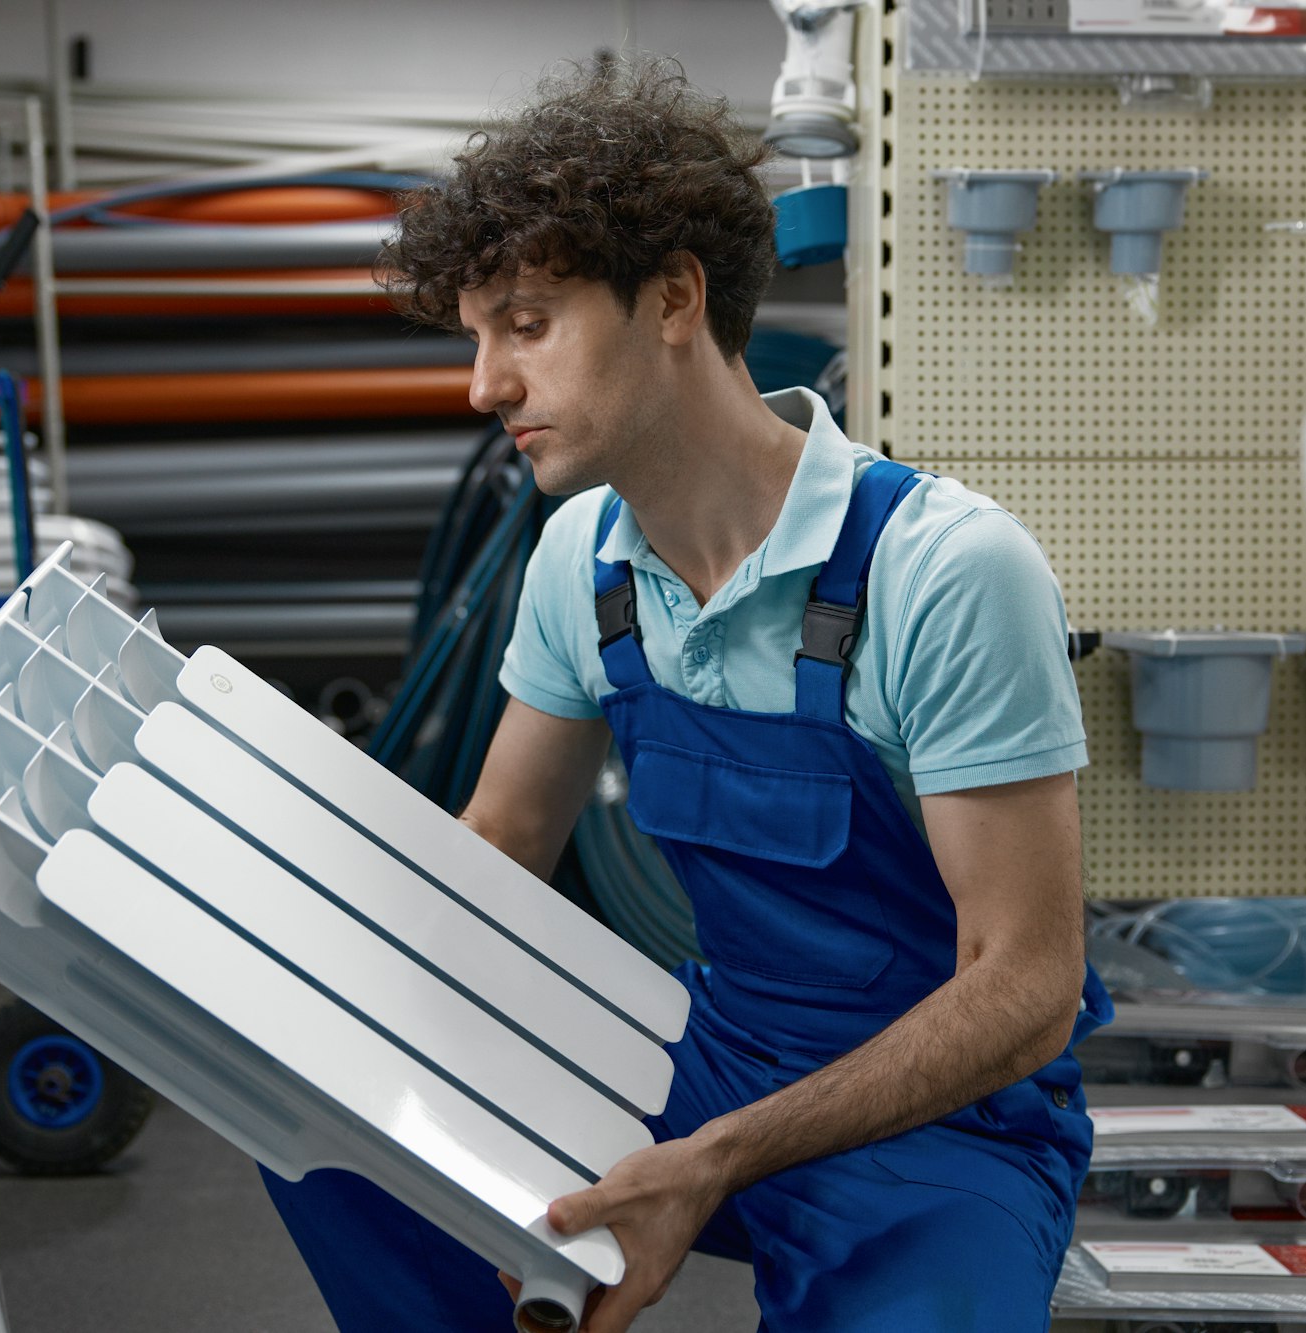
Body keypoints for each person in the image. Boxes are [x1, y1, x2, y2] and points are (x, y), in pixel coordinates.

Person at [260, 57, 1112, 1332]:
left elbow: (1026, 985)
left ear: (670, 296)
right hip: (699, 1059)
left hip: (939, 1120)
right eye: (476, 336)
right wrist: (260, 960)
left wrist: (711, 1164)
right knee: (319, 1135)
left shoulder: (940, 569)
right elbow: (497, 853)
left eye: (527, 324)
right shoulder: (581, 561)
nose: (482, 385)